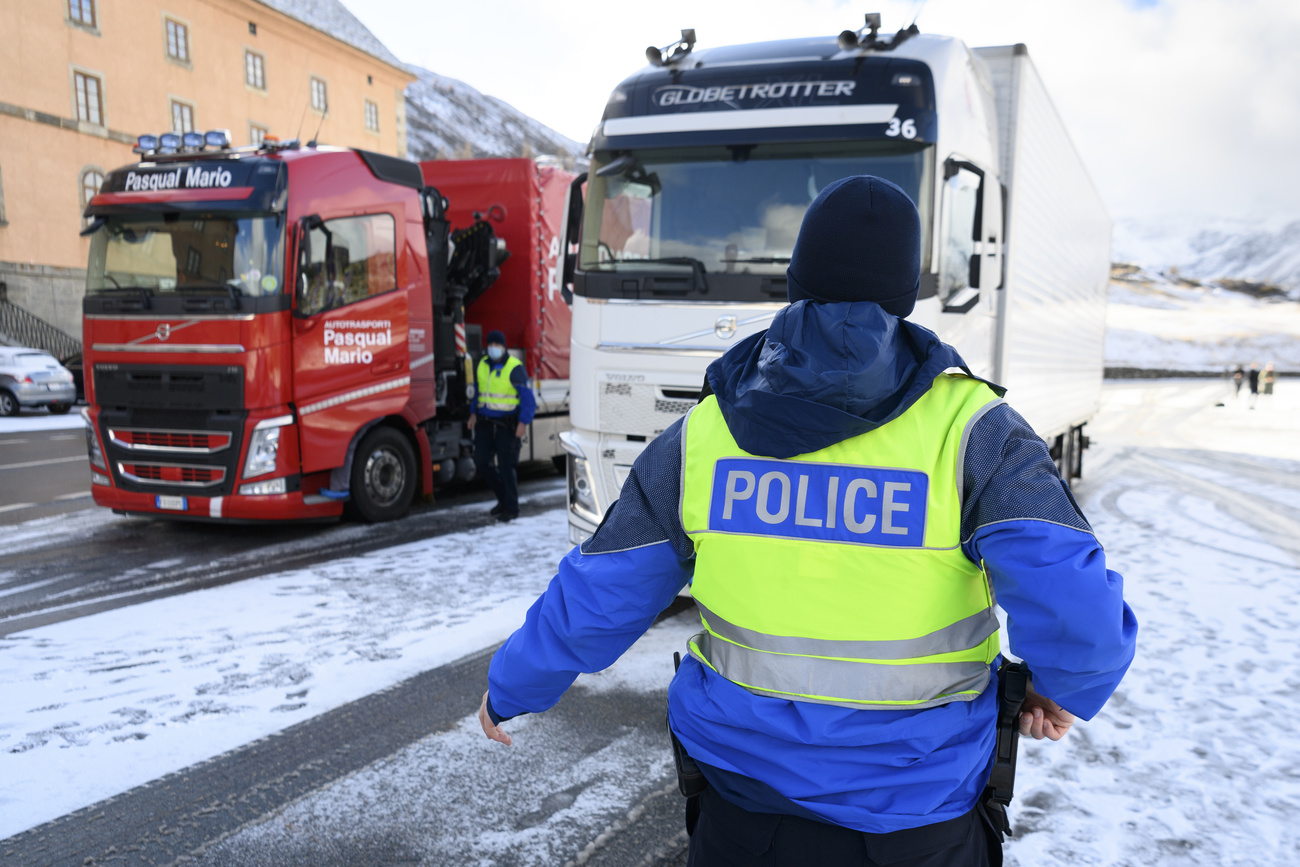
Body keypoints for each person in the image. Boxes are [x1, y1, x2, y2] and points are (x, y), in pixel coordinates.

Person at [476, 176, 1137, 866]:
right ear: (904, 291)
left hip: (742, 813)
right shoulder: (973, 433)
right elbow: (1083, 617)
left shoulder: (707, 434)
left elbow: (599, 589)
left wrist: (512, 684)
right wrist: (1053, 687)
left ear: (798, 278)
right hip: (918, 821)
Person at [467, 329, 535, 521]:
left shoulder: (515, 367)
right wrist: (473, 413)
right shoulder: (482, 365)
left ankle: (511, 509)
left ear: (504, 347)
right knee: (481, 463)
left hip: (507, 425)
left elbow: (528, 400)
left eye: (497, 345)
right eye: (491, 345)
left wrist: (523, 423)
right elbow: (479, 393)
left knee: (506, 467)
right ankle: (503, 499)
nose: (493, 348)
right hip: (485, 424)